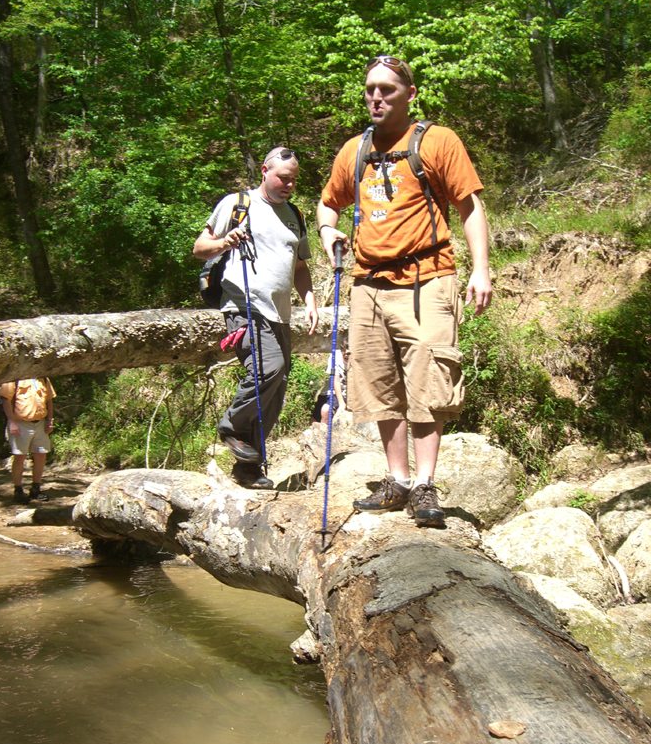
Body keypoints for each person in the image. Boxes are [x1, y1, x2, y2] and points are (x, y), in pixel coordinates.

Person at [317, 54, 492, 527]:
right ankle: (396, 480)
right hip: (367, 284)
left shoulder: (437, 142)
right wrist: (327, 231)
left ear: (409, 95)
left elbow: (469, 206)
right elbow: (327, 204)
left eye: (387, 90)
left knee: (428, 384)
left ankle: (424, 484)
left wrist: (481, 270)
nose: (376, 96)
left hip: (428, 279)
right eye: (370, 88)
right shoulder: (353, 151)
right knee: (379, 384)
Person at [194, 147, 319, 489]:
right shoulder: (237, 204)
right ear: (265, 171)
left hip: (278, 313)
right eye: (283, 178)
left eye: (293, 180)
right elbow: (199, 247)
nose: (289, 185)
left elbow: (300, 267)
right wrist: (224, 241)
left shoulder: (294, 214)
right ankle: (233, 427)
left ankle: (249, 468)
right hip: (243, 305)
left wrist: (309, 300)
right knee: (268, 369)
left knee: (275, 389)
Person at [0, 377, 56, 503]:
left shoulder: (43, 378)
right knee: (20, 457)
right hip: (20, 423)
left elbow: (49, 400)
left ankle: (36, 489)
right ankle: (18, 490)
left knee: (41, 455)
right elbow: (5, 399)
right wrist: (12, 422)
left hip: (40, 423)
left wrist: (50, 420)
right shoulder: (16, 377)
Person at [311, 340, 349, 424]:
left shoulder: (359, 357)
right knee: (320, 414)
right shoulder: (335, 355)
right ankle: (321, 434)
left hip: (349, 392)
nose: (346, 354)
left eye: (349, 352)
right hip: (333, 391)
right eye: (343, 350)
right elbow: (335, 379)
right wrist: (341, 403)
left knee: (326, 410)